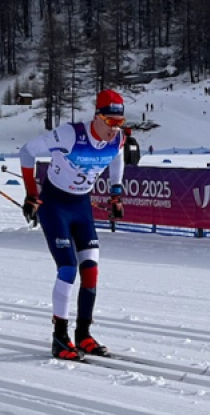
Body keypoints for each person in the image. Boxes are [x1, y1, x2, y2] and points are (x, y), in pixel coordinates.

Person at [17, 88, 128, 360]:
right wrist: (31, 193)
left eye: (120, 122)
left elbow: (117, 158)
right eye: (110, 122)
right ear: (97, 117)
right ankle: (60, 337)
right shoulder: (70, 134)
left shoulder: (118, 139)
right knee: (68, 268)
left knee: (90, 270)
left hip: (81, 207)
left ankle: (83, 335)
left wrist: (116, 193)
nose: (115, 129)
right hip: (55, 206)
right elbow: (27, 152)